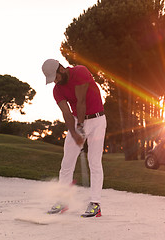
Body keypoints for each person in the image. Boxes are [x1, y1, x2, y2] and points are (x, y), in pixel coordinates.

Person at [42, 59, 106, 218]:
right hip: (78, 120)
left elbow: (81, 102)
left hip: (97, 120)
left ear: (61, 69)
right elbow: (66, 113)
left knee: (94, 162)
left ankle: (95, 204)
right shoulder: (57, 90)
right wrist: (74, 131)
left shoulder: (80, 71)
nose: (54, 82)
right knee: (66, 163)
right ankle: (63, 201)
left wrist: (81, 127)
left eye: (55, 77)